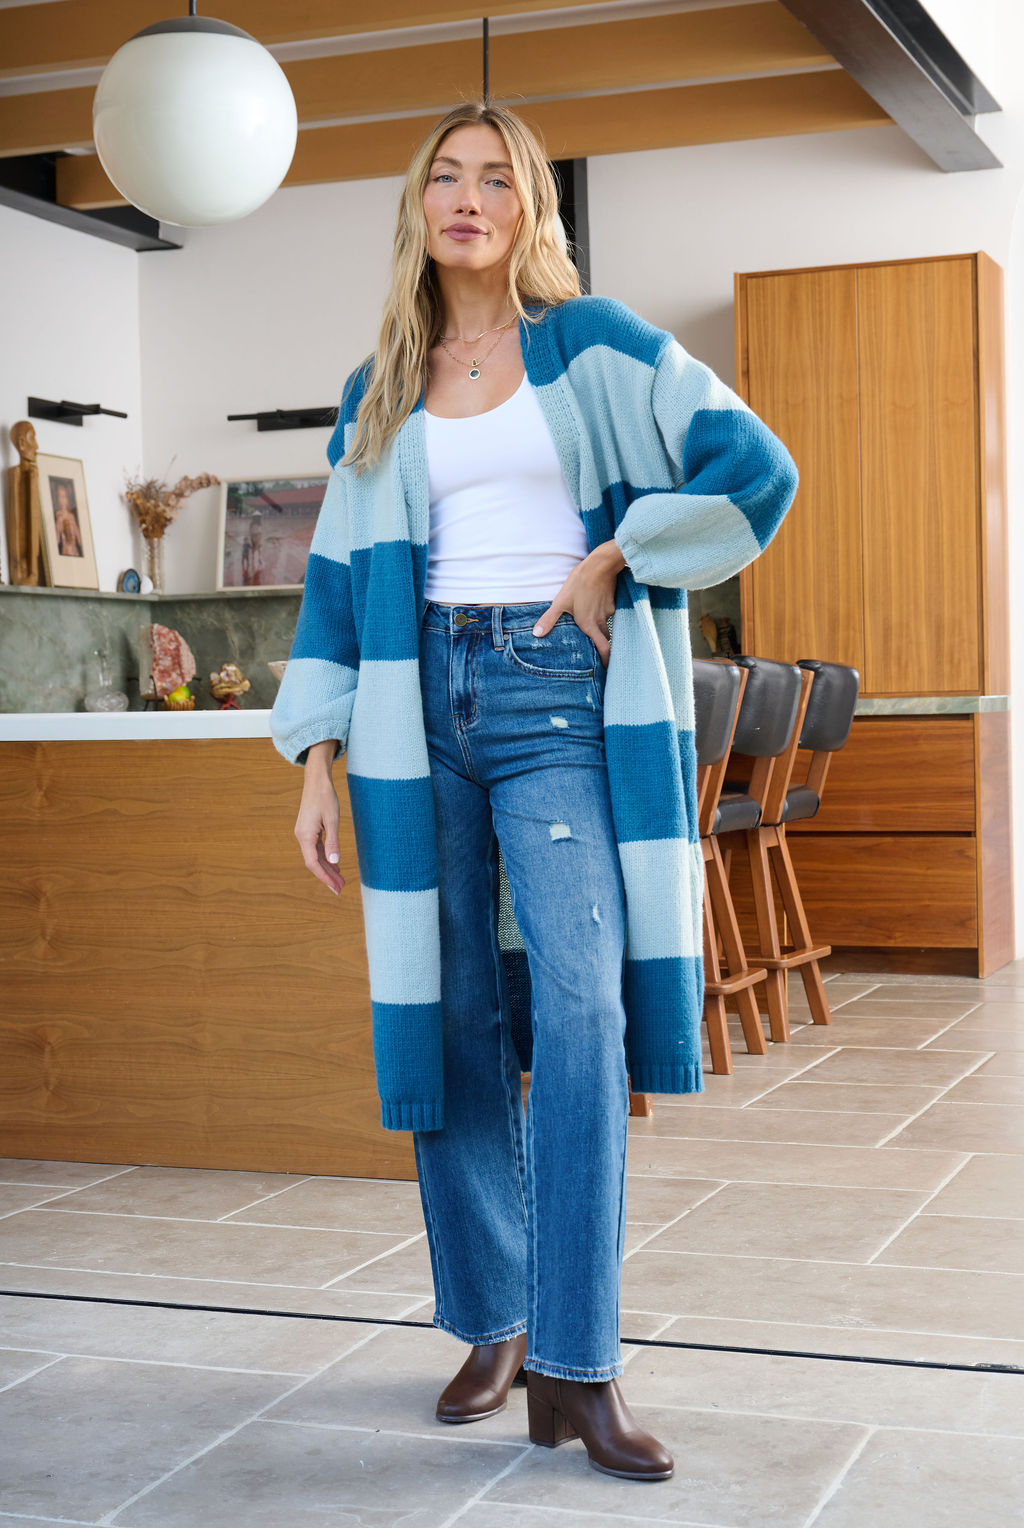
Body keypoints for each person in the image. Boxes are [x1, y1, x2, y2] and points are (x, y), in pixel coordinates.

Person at [271, 100, 798, 1481]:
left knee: (574, 1003)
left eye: (495, 176)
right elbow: (332, 584)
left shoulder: (596, 344)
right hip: (406, 709)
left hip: (554, 687)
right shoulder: (381, 379)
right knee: (446, 1016)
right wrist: (317, 755)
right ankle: (494, 1322)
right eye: (444, 175)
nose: (467, 196)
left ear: (531, 207)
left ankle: (582, 1363)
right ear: (418, 205)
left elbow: (758, 469)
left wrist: (620, 557)